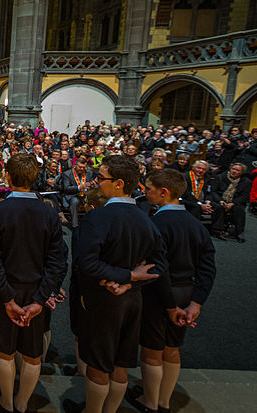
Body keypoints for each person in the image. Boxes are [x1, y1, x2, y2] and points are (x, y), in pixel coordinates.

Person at [64, 156, 167, 413]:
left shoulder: (99, 218)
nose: (96, 182)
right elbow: (160, 265)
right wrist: (132, 282)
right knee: (121, 362)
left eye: (101, 177)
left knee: (99, 363)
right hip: (132, 301)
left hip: (103, 299)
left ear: (119, 183)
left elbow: (86, 264)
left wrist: (127, 278)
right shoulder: (147, 219)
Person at [126, 169, 216, 413]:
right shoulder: (196, 225)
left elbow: (159, 270)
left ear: (163, 192)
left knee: (152, 349)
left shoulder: (155, 223)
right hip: (187, 291)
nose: (145, 193)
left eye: (148, 189)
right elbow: (208, 267)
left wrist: (169, 306)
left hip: (159, 293)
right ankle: (164, 400)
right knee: (173, 348)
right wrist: (196, 303)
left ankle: (150, 402)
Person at [0, 154, 66, 413]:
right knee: (32, 352)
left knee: (5, 352)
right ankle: (22, 402)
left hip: (5, 288)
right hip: (36, 290)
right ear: (35, 178)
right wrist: (41, 299)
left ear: (7, 177)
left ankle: (7, 402)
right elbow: (58, 260)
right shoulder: (48, 212)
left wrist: (7, 298)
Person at [208, 162, 250, 242]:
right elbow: (213, 191)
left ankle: (239, 232)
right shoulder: (220, 177)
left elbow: (244, 196)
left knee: (239, 209)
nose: (234, 171)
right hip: (219, 200)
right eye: (233, 169)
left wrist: (232, 203)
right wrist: (220, 200)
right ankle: (217, 230)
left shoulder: (246, 182)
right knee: (218, 207)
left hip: (234, 202)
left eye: (237, 170)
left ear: (241, 173)